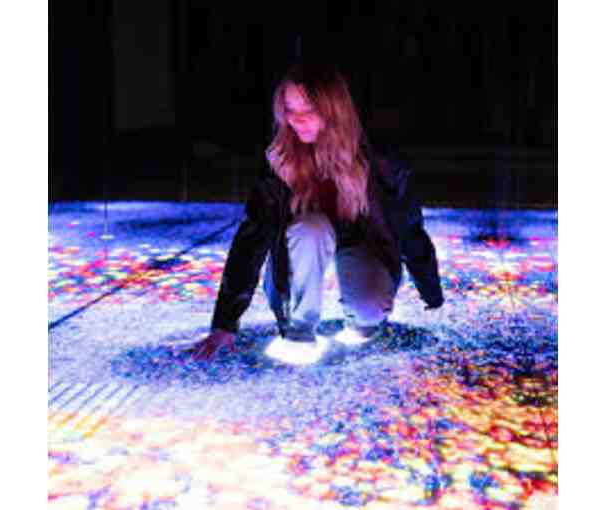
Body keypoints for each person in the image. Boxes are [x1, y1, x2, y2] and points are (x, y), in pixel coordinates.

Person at [189, 60, 444, 361]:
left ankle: (361, 318)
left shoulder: (379, 161)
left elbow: (409, 227)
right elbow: (251, 238)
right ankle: (300, 329)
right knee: (312, 228)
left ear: (333, 109)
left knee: (369, 310)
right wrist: (225, 322)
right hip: (304, 244)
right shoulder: (279, 160)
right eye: (289, 109)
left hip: (362, 242)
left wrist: (431, 290)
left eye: (308, 109)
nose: (297, 120)